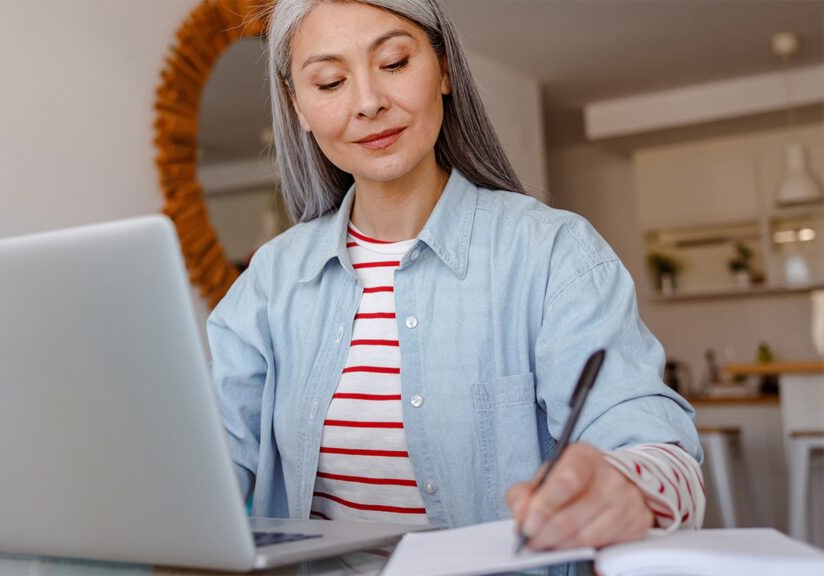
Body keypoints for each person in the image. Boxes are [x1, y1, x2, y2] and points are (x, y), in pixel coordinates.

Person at [207, 0, 705, 552]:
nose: (369, 102)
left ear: (443, 70)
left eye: (394, 63)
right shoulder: (270, 281)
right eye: (329, 82)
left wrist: (626, 488)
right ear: (297, 106)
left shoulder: (553, 253)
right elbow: (210, 455)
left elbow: (651, 441)